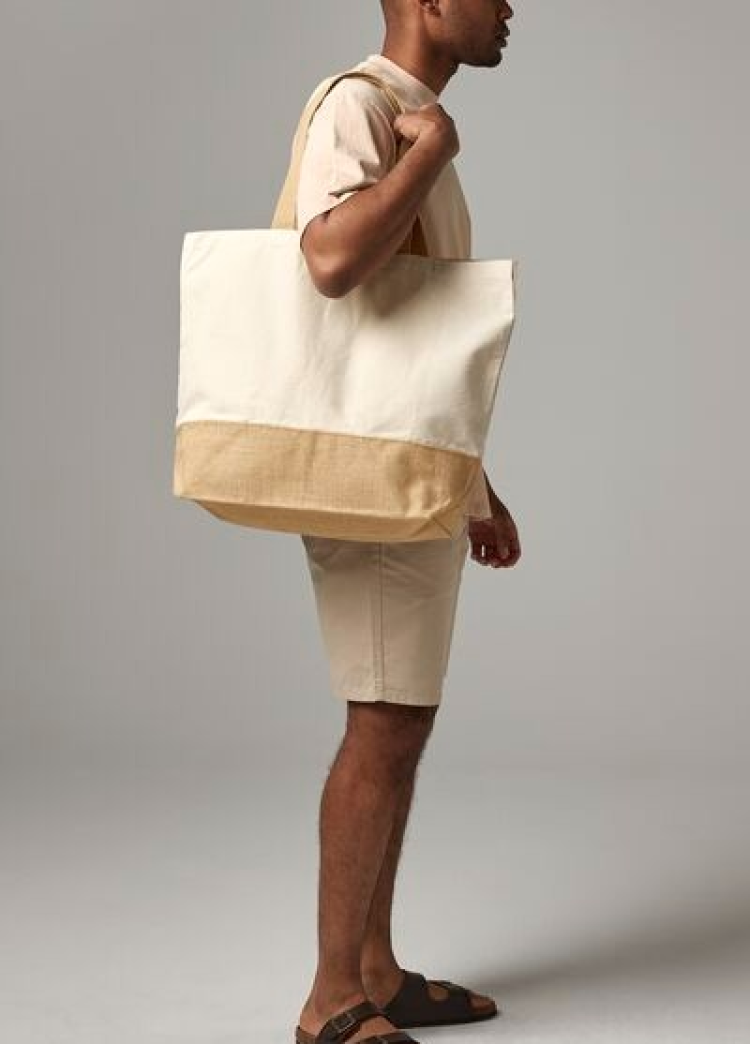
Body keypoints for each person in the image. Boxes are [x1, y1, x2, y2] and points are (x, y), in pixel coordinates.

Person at [293, 3, 519, 1043]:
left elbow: (413, 339)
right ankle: (330, 1000)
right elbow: (331, 261)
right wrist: (428, 156)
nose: (509, 7)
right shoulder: (365, 106)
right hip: (370, 480)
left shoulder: (413, 117)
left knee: (402, 718)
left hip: (411, 473)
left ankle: (375, 972)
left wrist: (475, 484)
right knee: (381, 718)